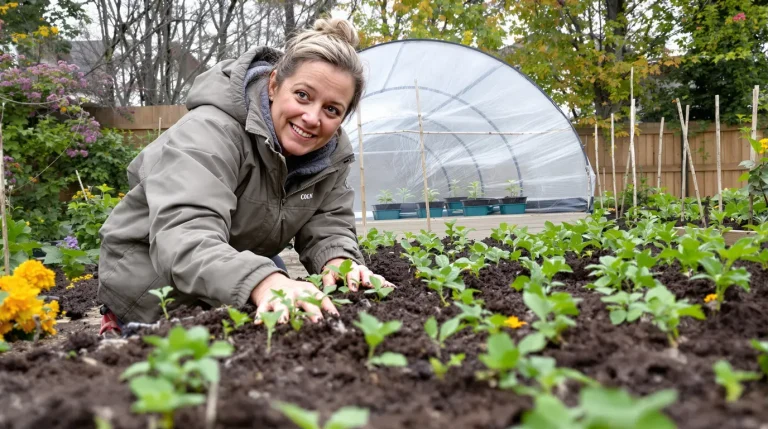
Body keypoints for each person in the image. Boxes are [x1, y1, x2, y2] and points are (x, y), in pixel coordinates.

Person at [97, 18, 391, 336]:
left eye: (332, 109)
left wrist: (338, 262)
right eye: (303, 95)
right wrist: (266, 282)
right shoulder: (211, 132)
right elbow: (185, 236)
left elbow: (329, 225)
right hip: (153, 292)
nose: (312, 117)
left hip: (226, 277)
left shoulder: (329, 156)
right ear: (274, 84)